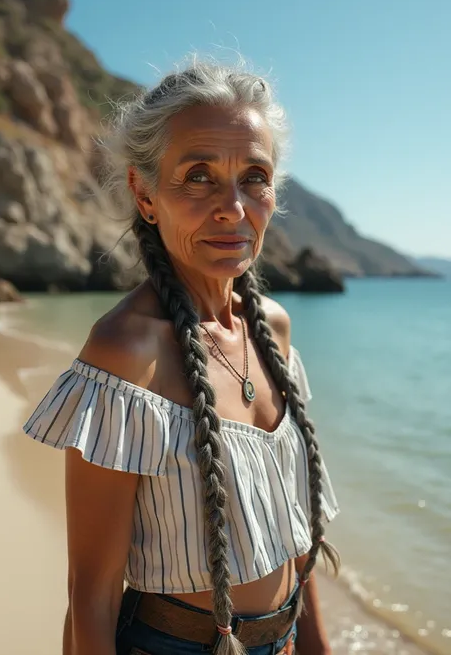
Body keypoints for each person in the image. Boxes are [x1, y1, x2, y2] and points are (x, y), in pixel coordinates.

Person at [23, 61, 340, 655]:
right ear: (145, 194)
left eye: (255, 177)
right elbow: (91, 597)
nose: (234, 208)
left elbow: (294, 535)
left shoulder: (274, 329)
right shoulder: (126, 355)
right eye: (198, 176)